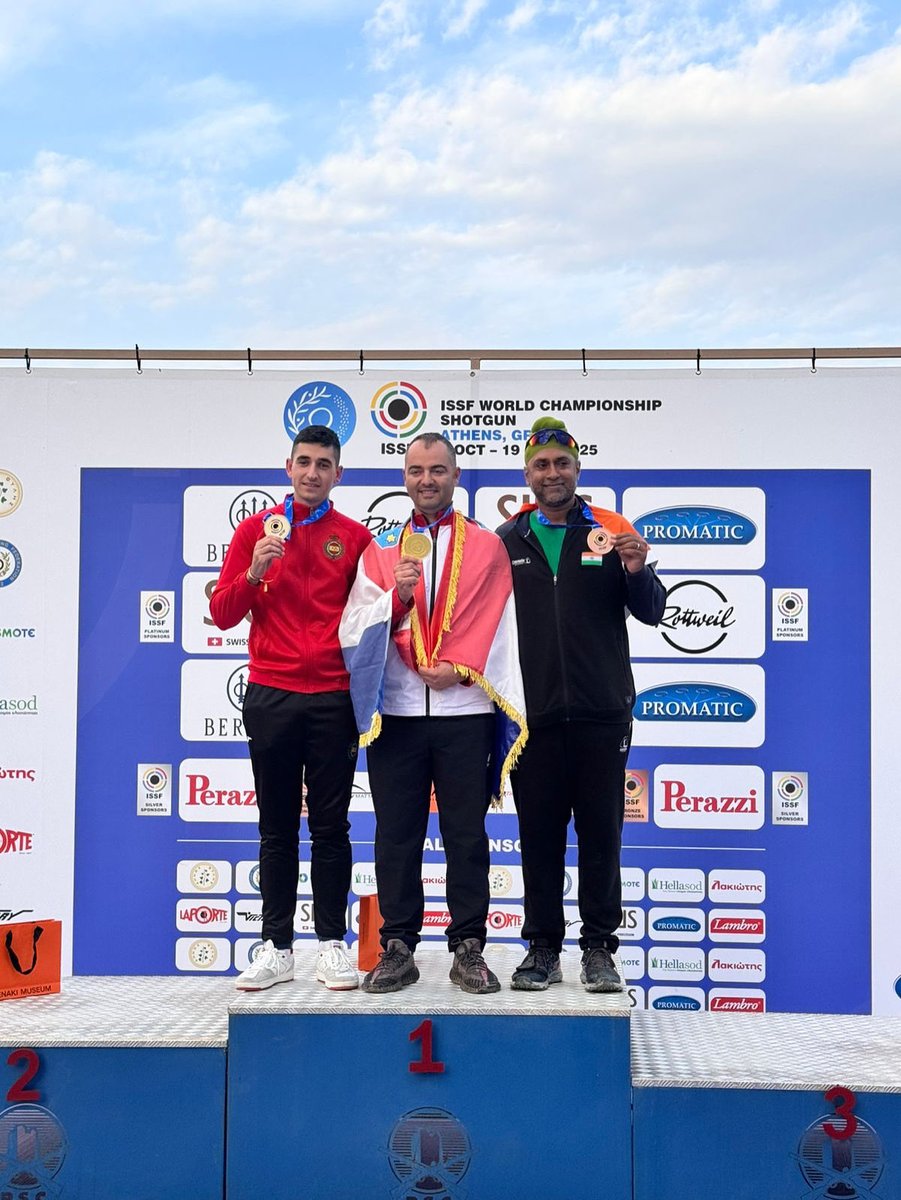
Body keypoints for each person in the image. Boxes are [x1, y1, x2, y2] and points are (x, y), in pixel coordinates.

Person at [340, 432, 527, 995]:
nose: (427, 480)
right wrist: (394, 599)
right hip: (396, 711)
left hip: (464, 709)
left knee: (466, 834)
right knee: (396, 833)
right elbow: (354, 626)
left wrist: (462, 668)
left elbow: (502, 627)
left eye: (438, 470)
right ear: (404, 477)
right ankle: (398, 945)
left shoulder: (489, 547)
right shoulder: (379, 551)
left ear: (456, 475)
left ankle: (468, 945)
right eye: (417, 470)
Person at [497, 416, 665, 993]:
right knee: (539, 838)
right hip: (532, 720)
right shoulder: (505, 540)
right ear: (527, 473)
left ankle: (599, 949)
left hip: (602, 714)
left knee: (601, 837)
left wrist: (640, 570)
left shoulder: (612, 530)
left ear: (577, 470)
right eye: (541, 464)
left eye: (562, 463)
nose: (552, 473)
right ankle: (542, 949)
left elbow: (653, 611)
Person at [210, 425, 372, 991]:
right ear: (288, 467)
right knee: (276, 828)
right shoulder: (255, 531)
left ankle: (332, 943)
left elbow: (374, 621)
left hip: (332, 696)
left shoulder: (352, 538)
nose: (312, 472)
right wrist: (255, 570)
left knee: (331, 827)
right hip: (272, 694)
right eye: (304, 462)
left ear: (338, 475)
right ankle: (276, 946)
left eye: (323, 464)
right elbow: (224, 613)